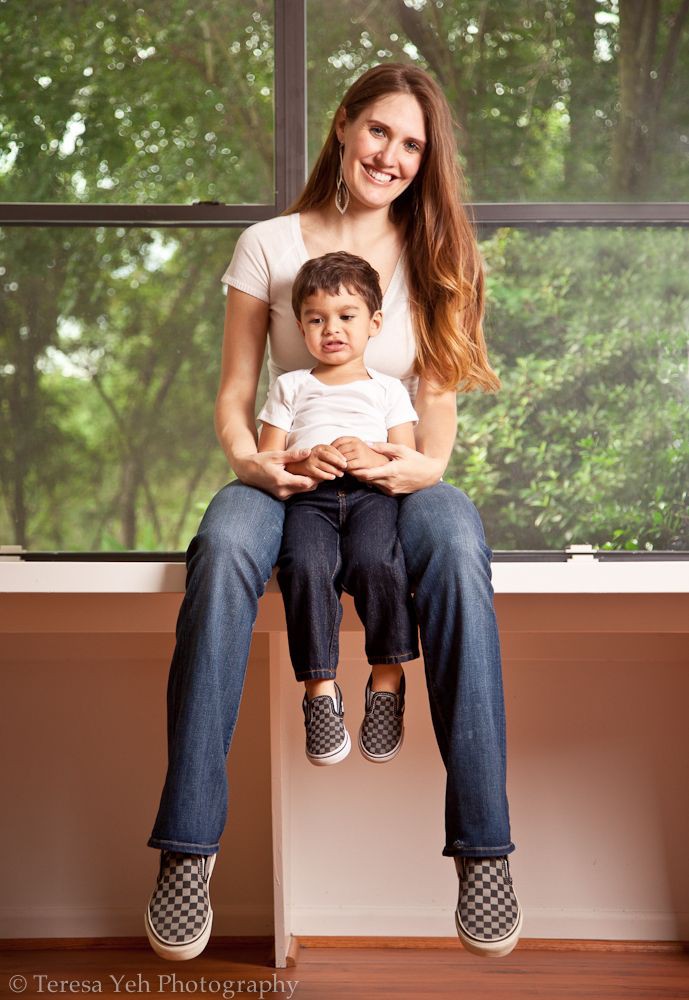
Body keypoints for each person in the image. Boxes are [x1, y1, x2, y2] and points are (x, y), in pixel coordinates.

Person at [145, 62, 522, 963]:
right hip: (284, 476)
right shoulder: (268, 246)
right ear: (345, 125)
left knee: (460, 548)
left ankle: (485, 851)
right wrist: (254, 463)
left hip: (397, 476)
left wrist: (412, 466)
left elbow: (436, 411)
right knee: (224, 547)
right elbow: (238, 391)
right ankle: (186, 848)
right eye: (379, 132)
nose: (390, 156)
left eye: (411, 145)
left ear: (426, 162)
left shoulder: (438, 257)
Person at [257, 250, 420, 767]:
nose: (332, 329)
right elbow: (269, 456)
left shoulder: (388, 391)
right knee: (304, 568)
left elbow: (406, 457)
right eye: (316, 319)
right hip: (310, 501)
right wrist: (304, 461)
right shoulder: (290, 386)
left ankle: (387, 681)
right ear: (301, 327)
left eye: (346, 316)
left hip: (373, 496)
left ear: (373, 323)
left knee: (379, 564)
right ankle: (319, 691)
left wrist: (370, 454)